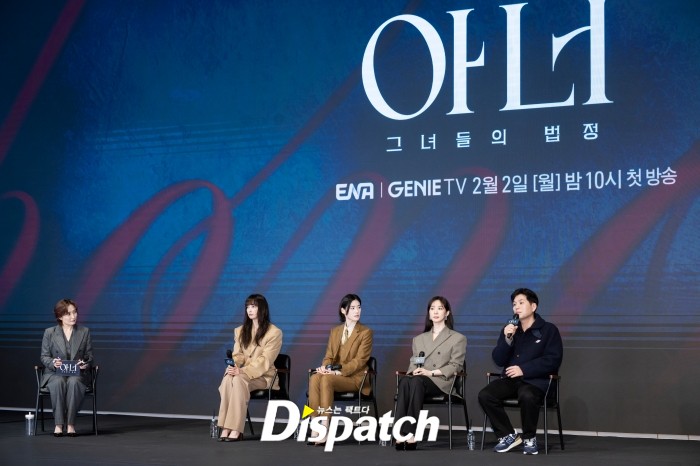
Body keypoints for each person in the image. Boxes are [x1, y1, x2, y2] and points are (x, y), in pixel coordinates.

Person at [478, 288, 563, 455]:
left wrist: (523, 369)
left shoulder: (548, 330)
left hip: (537, 381)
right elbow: (498, 360)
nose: (516, 307)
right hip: (511, 380)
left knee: (527, 395)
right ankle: (508, 435)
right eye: (514, 304)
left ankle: (529, 438)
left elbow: (553, 359)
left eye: (521, 303)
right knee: (485, 395)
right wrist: (507, 339)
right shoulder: (510, 329)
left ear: (533, 306)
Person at [393, 296, 467, 451]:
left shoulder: (457, 338)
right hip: (420, 380)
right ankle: (400, 432)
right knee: (406, 380)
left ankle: (410, 433)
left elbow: (456, 366)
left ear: (447, 313)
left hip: (441, 381)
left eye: (440, 308)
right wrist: (415, 370)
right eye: (432, 308)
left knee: (416, 381)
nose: (436, 312)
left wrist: (430, 373)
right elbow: (414, 361)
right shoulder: (419, 339)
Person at [307, 293, 373, 446]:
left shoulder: (365, 332)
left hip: (355, 378)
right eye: (353, 308)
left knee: (327, 379)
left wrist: (337, 372)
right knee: (315, 377)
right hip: (334, 375)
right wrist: (325, 367)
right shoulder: (335, 331)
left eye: (359, 307)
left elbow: (360, 361)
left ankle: (325, 427)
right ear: (343, 311)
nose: (357, 311)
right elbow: (329, 356)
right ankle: (314, 426)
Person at [217, 294, 283, 441]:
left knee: (238, 379)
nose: (249, 310)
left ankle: (235, 429)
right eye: (247, 307)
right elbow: (238, 355)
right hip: (242, 374)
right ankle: (226, 427)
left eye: (253, 306)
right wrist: (233, 366)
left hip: (263, 377)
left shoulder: (274, 332)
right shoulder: (240, 331)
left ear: (262, 309)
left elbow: (265, 360)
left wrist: (242, 370)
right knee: (228, 378)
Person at [40, 298, 94, 437]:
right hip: (55, 374)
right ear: (59, 316)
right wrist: (53, 363)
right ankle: (58, 424)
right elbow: (44, 356)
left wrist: (84, 364)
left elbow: (89, 357)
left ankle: (70, 424)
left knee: (74, 382)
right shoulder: (49, 332)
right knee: (58, 382)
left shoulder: (84, 331)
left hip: (76, 374)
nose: (73, 316)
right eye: (68, 313)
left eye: (74, 312)